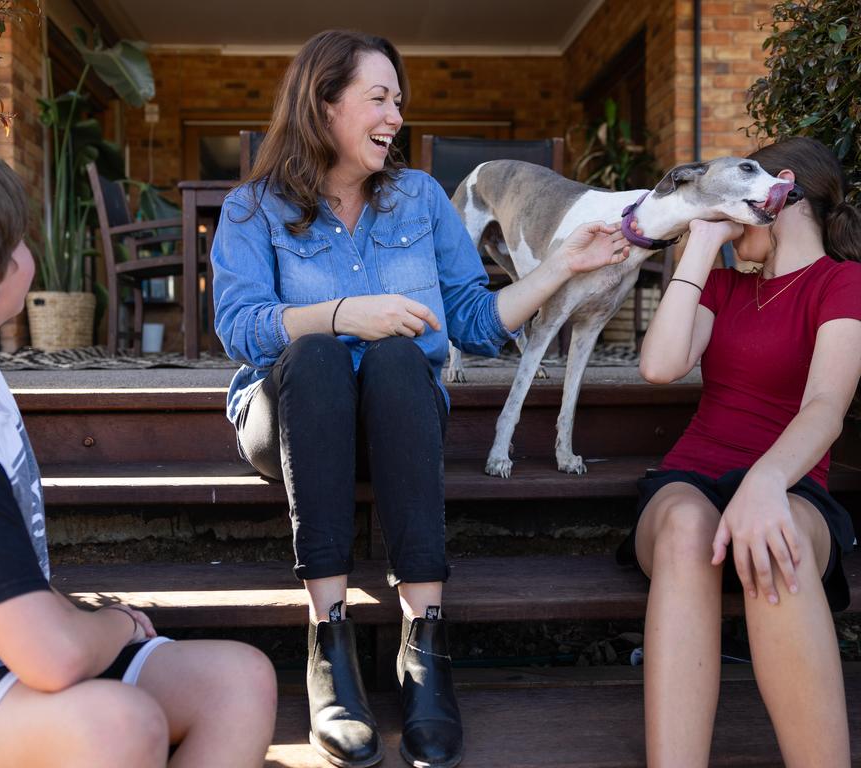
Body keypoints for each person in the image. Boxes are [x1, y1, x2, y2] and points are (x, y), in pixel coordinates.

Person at [211, 29, 632, 768]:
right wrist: (343, 315)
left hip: (395, 417)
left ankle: (426, 646)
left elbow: (473, 323)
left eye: (398, 100)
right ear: (323, 103)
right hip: (289, 418)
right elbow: (240, 328)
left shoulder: (421, 199)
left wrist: (564, 264)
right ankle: (330, 643)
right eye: (379, 98)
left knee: (404, 358)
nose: (396, 115)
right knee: (312, 357)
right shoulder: (253, 208)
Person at [0, 140, 277, 768]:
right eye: (19, 242)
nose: (31, 253)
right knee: (116, 727)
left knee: (236, 681)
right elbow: (54, 658)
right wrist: (119, 623)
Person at [621, 136, 861, 767]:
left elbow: (825, 407)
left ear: (777, 191)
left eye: (730, 216)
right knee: (686, 528)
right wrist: (698, 245)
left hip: (791, 483)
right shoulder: (723, 285)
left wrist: (765, 482)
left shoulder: (842, 283)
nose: (727, 232)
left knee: (775, 543)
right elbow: (660, 365)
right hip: (691, 479)